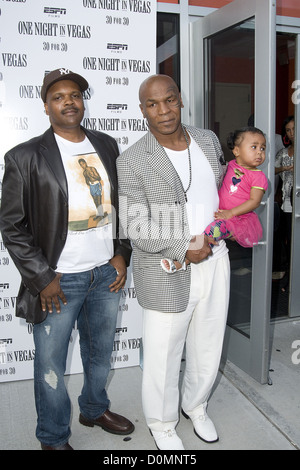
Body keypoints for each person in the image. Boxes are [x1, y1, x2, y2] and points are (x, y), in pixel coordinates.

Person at [0, 68, 134, 450]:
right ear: (46, 106)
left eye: (74, 94)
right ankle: (53, 438)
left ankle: (93, 408)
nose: (69, 101)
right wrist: (43, 278)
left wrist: (121, 253)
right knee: (50, 367)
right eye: (58, 97)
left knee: (99, 354)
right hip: (59, 281)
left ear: (83, 100)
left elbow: (121, 205)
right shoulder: (25, 156)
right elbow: (11, 225)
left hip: (105, 274)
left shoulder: (106, 145)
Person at [117, 74, 230, 450]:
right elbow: (134, 224)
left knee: (209, 342)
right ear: (142, 110)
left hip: (216, 260)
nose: (163, 110)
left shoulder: (208, 140)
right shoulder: (132, 159)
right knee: (164, 353)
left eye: (169, 100)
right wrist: (184, 247)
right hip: (168, 267)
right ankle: (162, 424)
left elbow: (222, 193)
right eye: (153, 104)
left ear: (180, 100)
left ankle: (196, 406)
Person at [161, 127, 268, 273]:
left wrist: (230, 213)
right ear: (236, 151)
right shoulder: (230, 165)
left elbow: (254, 201)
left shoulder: (259, 176)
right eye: (254, 147)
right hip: (221, 214)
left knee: (212, 231)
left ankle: (183, 261)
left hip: (238, 219)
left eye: (263, 148)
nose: (259, 152)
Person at [275, 115, 294, 292]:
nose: (291, 133)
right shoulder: (283, 153)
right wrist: (285, 168)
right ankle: (290, 276)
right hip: (288, 206)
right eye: (288, 130)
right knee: (290, 243)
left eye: (294, 128)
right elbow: (271, 170)